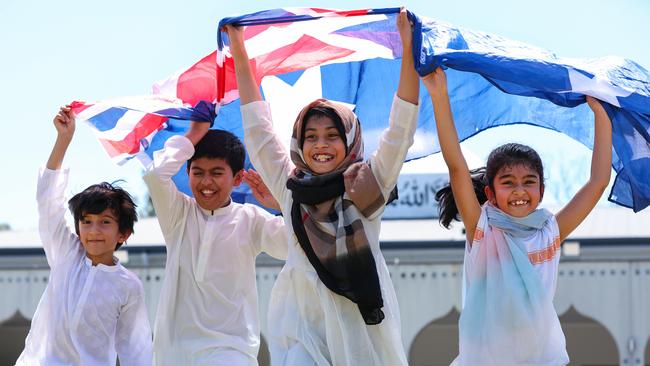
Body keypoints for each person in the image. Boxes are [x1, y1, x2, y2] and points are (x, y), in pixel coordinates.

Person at [226, 9, 420, 366]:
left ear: (350, 141)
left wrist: (409, 49)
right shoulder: (291, 189)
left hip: (358, 322)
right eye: (311, 137)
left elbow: (401, 130)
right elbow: (258, 132)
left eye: (333, 136)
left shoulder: (366, 186)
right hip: (299, 322)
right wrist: (239, 48)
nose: (321, 145)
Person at [424, 67, 613, 365]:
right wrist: (439, 95)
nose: (519, 190)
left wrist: (602, 115)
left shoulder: (550, 231)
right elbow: (457, 168)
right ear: (490, 193)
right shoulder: (483, 228)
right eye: (508, 182)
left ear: (541, 189)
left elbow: (598, 181)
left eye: (529, 182)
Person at [143, 120, 288, 365]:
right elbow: (156, 175)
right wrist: (192, 135)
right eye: (198, 172)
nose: (206, 182)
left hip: (232, 350)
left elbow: (291, 245)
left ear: (238, 178)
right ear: (187, 173)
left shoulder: (250, 219)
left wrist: (281, 204)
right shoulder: (178, 214)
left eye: (217, 173)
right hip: (175, 353)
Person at [16, 106, 152, 366]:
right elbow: (48, 202)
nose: (93, 230)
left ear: (123, 232)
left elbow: (136, 348)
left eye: (105, 222)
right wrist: (63, 140)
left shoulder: (128, 286)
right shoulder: (66, 254)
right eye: (86, 221)